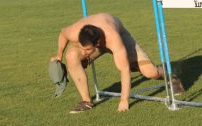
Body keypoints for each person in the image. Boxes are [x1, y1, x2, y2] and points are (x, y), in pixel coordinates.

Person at [51, 13, 184, 114]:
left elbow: (124, 70)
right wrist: (59, 55)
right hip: (96, 36)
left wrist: (124, 100)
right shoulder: (75, 32)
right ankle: (86, 101)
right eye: (82, 48)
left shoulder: (113, 38)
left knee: (150, 72)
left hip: (120, 35)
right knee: (71, 55)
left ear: (97, 44)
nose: (84, 53)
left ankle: (171, 77)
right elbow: (63, 33)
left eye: (87, 50)